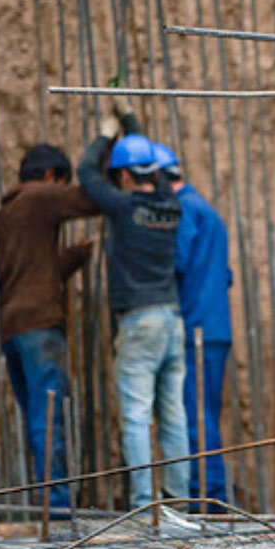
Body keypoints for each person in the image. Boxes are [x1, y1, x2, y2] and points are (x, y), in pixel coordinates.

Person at [77, 96, 189, 510]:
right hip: (171, 320)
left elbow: (86, 173)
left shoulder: (124, 208)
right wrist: (129, 119)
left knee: (137, 416)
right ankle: (177, 500)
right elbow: (151, 168)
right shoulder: (170, 205)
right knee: (173, 415)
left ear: (123, 174)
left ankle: (145, 504)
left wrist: (108, 130)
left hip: (140, 322)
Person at [0, 144, 99, 511]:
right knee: (49, 417)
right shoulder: (40, 197)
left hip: (12, 327)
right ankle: (54, 505)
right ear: (51, 176)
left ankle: (49, 501)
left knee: (37, 416)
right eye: (61, 183)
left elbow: (34, 271)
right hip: (39, 326)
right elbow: (89, 200)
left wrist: (75, 256)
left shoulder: (6, 212)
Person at [152, 142, 233, 508]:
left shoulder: (182, 209)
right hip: (216, 326)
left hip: (195, 328)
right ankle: (210, 495)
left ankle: (207, 498)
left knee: (195, 416)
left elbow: (177, 260)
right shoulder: (208, 211)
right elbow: (225, 275)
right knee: (206, 413)